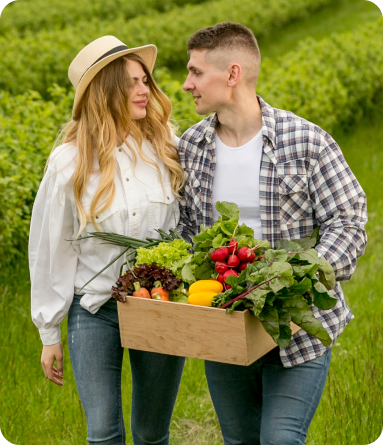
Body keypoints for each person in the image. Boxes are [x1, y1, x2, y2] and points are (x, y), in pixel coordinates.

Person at [178, 22, 367, 444]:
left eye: (195, 72)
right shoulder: (190, 148)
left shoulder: (305, 141)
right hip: (226, 329)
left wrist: (303, 274)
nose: (186, 84)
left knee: (281, 439)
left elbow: (348, 219)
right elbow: (187, 229)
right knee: (240, 441)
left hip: (298, 327)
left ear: (232, 74)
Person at [29, 36, 186, 445]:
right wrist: (50, 333)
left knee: (152, 433)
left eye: (145, 81)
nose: (144, 90)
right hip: (95, 308)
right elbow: (51, 248)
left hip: (158, 304)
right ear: (106, 90)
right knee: (102, 433)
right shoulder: (69, 163)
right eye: (132, 82)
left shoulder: (164, 147)